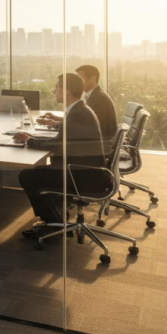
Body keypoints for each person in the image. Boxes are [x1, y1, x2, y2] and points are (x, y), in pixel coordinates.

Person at [14, 73, 109, 239]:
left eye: (56, 88)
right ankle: (56, 215)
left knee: (27, 176)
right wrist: (32, 139)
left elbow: (59, 146)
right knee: (40, 170)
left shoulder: (77, 114)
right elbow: (61, 142)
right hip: (86, 170)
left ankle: (52, 222)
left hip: (83, 175)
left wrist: (30, 141)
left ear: (66, 92)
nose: (54, 91)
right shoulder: (79, 110)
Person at [37, 64, 117, 145]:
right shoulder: (93, 95)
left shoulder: (99, 98)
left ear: (92, 79)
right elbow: (80, 123)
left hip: (103, 144)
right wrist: (57, 120)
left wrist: (55, 123)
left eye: (80, 78)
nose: (78, 82)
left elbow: (84, 125)